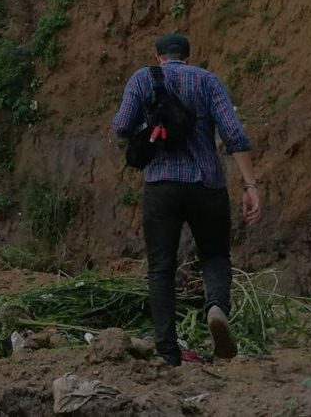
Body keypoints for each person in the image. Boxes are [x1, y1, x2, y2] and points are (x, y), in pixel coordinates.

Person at [112, 32, 263, 366]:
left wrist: (148, 124)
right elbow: (233, 134)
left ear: (159, 55)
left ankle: (168, 352)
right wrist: (250, 185)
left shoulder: (142, 78)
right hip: (207, 183)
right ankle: (216, 310)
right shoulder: (207, 81)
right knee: (215, 256)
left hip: (161, 186)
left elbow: (121, 126)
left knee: (161, 269)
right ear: (188, 56)